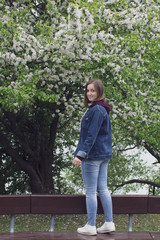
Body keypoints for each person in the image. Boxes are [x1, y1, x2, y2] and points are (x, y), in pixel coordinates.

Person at [72, 79, 115, 236]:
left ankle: (91, 226)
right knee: (103, 188)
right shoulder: (102, 109)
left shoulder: (96, 110)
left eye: (93, 91)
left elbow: (90, 136)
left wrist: (80, 155)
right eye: (88, 90)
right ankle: (109, 222)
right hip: (103, 154)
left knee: (91, 191)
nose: (89, 93)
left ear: (99, 92)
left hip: (92, 156)